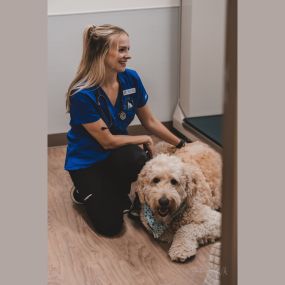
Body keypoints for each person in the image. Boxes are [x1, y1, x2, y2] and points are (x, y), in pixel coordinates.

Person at [64, 24, 185, 237]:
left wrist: (182, 145)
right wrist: (143, 138)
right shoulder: (82, 94)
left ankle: (113, 189)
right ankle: (84, 191)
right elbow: (107, 141)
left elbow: (150, 121)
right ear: (101, 52)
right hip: (87, 162)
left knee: (140, 161)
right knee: (111, 226)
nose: (127, 56)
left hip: (116, 154)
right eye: (121, 50)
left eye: (127, 49)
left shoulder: (131, 78)